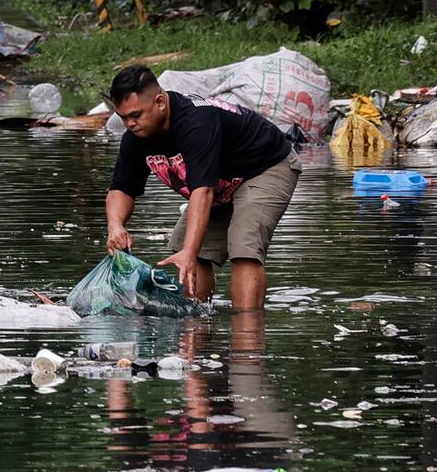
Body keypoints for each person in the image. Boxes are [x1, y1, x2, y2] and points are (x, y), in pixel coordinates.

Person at [104, 64, 302, 312]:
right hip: (220, 184)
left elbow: (203, 191)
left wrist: (190, 249)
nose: (130, 124)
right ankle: (196, 329)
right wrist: (115, 225)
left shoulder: (196, 123)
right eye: (123, 117)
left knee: (244, 247)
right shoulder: (135, 139)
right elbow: (121, 188)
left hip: (265, 167)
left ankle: (247, 336)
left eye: (136, 115)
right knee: (188, 254)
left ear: (160, 102)